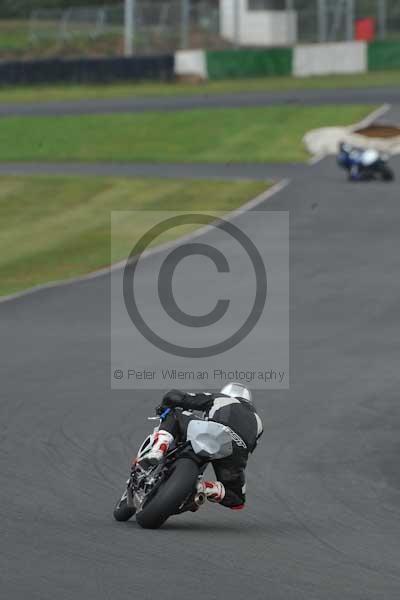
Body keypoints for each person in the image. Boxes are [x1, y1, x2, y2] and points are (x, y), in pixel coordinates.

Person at [136, 382, 263, 511]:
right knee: (237, 499)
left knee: (174, 413)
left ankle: (160, 446)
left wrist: (165, 405)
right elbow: (251, 446)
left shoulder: (221, 398)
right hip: (235, 452)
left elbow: (179, 398)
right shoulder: (258, 421)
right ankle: (207, 489)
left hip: (213, 432)